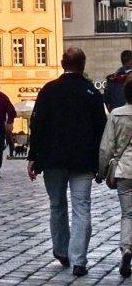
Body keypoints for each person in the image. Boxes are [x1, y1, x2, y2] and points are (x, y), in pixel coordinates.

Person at [28, 47, 107, 278]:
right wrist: (101, 163)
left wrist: (33, 156)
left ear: (63, 64)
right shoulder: (91, 93)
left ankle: (62, 251)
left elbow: (37, 125)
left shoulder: (49, 90)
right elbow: (101, 131)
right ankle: (79, 260)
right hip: (83, 161)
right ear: (82, 65)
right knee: (82, 207)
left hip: (53, 159)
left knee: (56, 205)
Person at [99, 75, 132, 277]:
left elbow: (106, 146)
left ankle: (127, 247)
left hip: (124, 170)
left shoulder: (116, 114)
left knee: (128, 213)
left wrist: (102, 171)